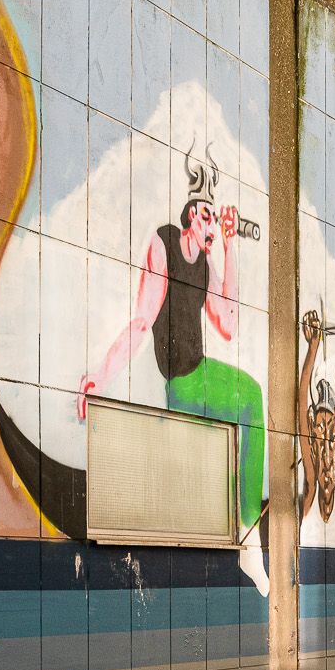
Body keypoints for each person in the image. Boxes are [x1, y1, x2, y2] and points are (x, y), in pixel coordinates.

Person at [80, 151, 265, 530]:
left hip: (201, 373)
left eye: (215, 218)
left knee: (252, 395)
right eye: (207, 216)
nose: (211, 224)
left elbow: (228, 323)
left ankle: (244, 522)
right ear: (192, 215)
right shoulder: (164, 244)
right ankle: (245, 522)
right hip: (181, 381)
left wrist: (230, 249)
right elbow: (142, 319)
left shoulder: (204, 265)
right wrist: (99, 377)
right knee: (248, 400)